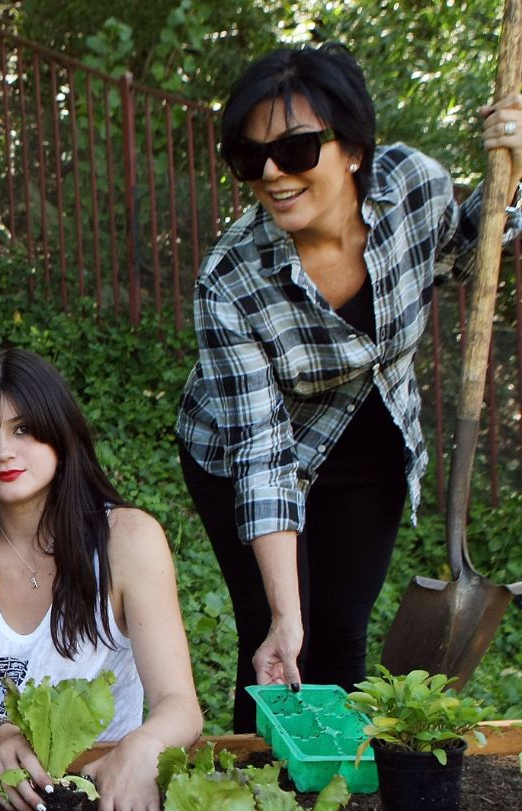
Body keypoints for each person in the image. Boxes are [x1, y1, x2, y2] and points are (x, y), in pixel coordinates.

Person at [175, 44, 522, 731]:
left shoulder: (414, 187)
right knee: (277, 643)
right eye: (252, 159)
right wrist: (284, 614)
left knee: (340, 633)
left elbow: (460, 251)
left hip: (370, 448)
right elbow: (263, 460)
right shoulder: (232, 281)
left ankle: (336, 803)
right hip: (246, 459)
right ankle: (264, 798)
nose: (273, 173)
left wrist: (508, 167)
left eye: (297, 149)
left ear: (354, 150)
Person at [0, 348, 201, 811]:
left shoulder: (128, 540)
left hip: (88, 774)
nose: (2, 452)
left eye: (22, 430)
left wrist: (143, 747)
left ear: (59, 431)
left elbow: (180, 705)